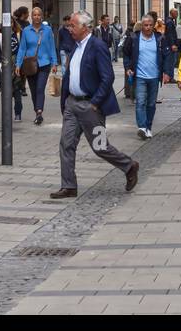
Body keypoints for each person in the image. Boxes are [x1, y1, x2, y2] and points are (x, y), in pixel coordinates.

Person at [51, 11, 139, 199]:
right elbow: (70, 74)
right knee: (66, 144)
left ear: (85, 28)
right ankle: (69, 186)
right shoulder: (74, 46)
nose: (69, 28)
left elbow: (108, 77)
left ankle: (129, 165)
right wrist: (65, 100)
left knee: (100, 146)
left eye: (72, 25)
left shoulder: (97, 46)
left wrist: (95, 103)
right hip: (72, 105)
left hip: (90, 107)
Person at [122, 14, 171, 138]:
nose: (148, 28)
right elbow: (126, 54)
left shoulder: (159, 38)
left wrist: (166, 73)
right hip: (140, 77)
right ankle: (142, 127)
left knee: (151, 104)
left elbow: (166, 56)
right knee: (140, 102)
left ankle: (148, 127)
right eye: (145, 25)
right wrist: (128, 68)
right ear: (141, 26)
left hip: (154, 77)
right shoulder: (134, 38)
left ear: (153, 25)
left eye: (150, 25)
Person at [15, 6, 59, 126]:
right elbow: (22, 48)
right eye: (34, 15)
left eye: (39, 15)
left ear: (42, 16)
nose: (37, 17)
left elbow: (51, 47)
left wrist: (54, 62)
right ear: (31, 16)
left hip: (44, 64)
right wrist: (18, 64)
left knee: (40, 88)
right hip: (30, 65)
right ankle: (37, 111)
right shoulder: (26, 31)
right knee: (34, 90)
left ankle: (39, 112)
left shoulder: (48, 30)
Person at [11, 6, 29, 120]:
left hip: (17, 62)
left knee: (16, 89)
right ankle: (8, 113)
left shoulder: (20, 32)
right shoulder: (1, 34)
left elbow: (23, 46)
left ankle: (17, 113)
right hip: (5, 65)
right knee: (8, 91)